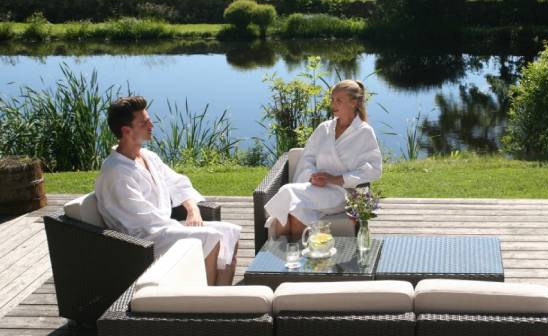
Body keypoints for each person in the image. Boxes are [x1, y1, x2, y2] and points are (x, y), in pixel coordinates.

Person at [95, 96, 241, 286]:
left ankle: (221, 297)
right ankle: (206, 300)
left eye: (149, 120)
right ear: (126, 131)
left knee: (230, 232)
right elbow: (142, 220)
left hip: (165, 229)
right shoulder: (116, 172)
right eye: (144, 123)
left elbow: (177, 182)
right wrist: (182, 228)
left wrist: (192, 210)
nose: (151, 125)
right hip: (143, 242)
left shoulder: (147, 156)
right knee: (210, 237)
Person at [265, 80, 383, 240]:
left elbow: (374, 169)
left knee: (287, 191)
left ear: (354, 102)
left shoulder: (364, 132)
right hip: (315, 188)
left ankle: (278, 249)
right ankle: (297, 250)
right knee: (296, 207)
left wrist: (335, 179)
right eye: (332, 99)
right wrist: (312, 177)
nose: (333, 104)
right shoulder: (324, 128)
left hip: (342, 193)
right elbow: (307, 158)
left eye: (339, 100)